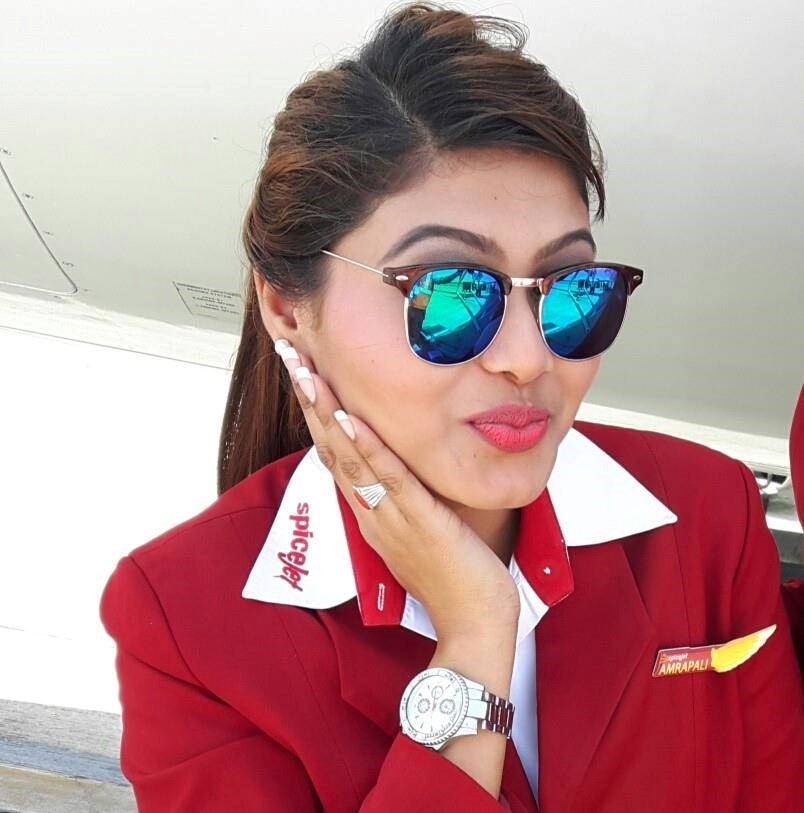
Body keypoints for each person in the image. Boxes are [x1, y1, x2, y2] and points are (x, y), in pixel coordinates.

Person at [98, 3, 803, 811]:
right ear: (288, 307)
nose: (528, 356)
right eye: (451, 296)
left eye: (573, 292)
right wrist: (474, 636)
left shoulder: (705, 512)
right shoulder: (186, 620)